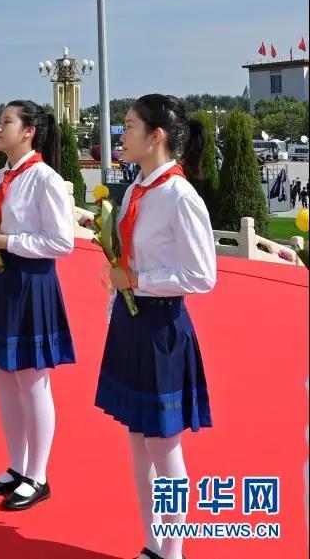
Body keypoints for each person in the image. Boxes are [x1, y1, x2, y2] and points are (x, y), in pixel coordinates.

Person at [95, 94, 215, 559]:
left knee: (165, 450)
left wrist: (140, 281)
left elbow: (202, 275)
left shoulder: (179, 196)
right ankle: (151, 543)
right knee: (137, 441)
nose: (121, 136)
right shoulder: (134, 189)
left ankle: (173, 550)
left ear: (156, 136)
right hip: (130, 325)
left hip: (162, 329)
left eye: (128, 127)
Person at [0, 100, 75, 511]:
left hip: (31, 282)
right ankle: (16, 466)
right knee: (2, 377)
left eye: (6, 121)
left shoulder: (44, 179)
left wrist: (9, 243)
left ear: (28, 131)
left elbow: (62, 242)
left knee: (31, 380)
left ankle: (39, 474)